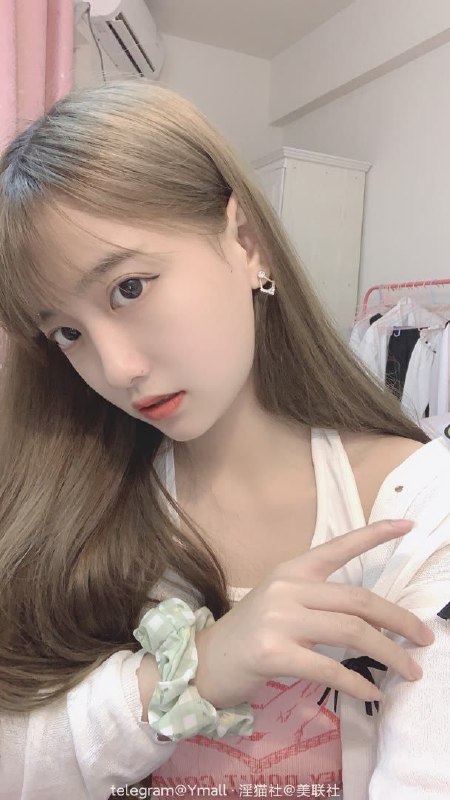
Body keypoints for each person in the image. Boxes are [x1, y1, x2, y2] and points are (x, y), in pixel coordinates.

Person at [0, 78, 448, 800]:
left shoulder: (417, 509)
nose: (117, 369)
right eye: (68, 333)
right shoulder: (70, 507)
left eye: (129, 288)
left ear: (246, 243)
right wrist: (194, 671)